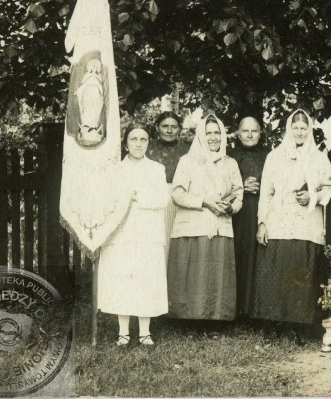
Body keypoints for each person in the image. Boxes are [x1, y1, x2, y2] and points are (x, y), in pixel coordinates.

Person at [252, 109, 331, 336]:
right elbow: (266, 193)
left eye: (303, 128)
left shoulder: (319, 157)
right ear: (289, 129)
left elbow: (330, 188)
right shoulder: (274, 156)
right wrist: (262, 223)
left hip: (307, 224)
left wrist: (312, 197)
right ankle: (275, 325)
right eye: (295, 128)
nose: (299, 132)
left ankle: (299, 327)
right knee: (277, 273)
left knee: (302, 274)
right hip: (279, 222)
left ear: (309, 130)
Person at [167, 113, 244, 330]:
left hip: (221, 225)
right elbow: (177, 194)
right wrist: (204, 201)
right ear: (200, 135)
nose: (212, 137)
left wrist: (231, 206)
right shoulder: (187, 161)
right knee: (192, 276)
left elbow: (239, 192)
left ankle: (215, 325)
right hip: (193, 226)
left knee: (216, 276)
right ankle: (189, 324)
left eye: (216, 133)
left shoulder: (230, 163)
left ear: (223, 136)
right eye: (208, 133)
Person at [97, 124, 169, 346]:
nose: (138, 144)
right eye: (134, 139)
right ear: (126, 142)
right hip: (123, 234)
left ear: (148, 142)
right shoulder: (116, 170)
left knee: (146, 279)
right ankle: (123, 332)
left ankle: (145, 331)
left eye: (143, 139)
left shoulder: (157, 169)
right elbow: (109, 202)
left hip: (148, 232)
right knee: (124, 279)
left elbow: (163, 199)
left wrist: (137, 198)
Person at [227, 114, 269, 320]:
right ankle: (238, 310)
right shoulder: (229, 156)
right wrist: (243, 185)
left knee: (259, 257)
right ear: (238, 134)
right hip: (239, 214)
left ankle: (256, 310)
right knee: (239, 255)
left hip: (262, 210)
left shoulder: (270, 156)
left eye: (254, 131)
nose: (250, 134)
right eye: (245, 130)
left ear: (260, 134)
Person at [146, 111, 191, 261]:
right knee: (157, 245)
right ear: (157, 127)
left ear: (180, 129)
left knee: (177, 245)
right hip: (154, 200)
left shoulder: (188, 150)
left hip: (181, 201)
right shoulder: (148, 148)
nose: (169, 131)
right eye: (165, 126)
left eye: (174, 126)